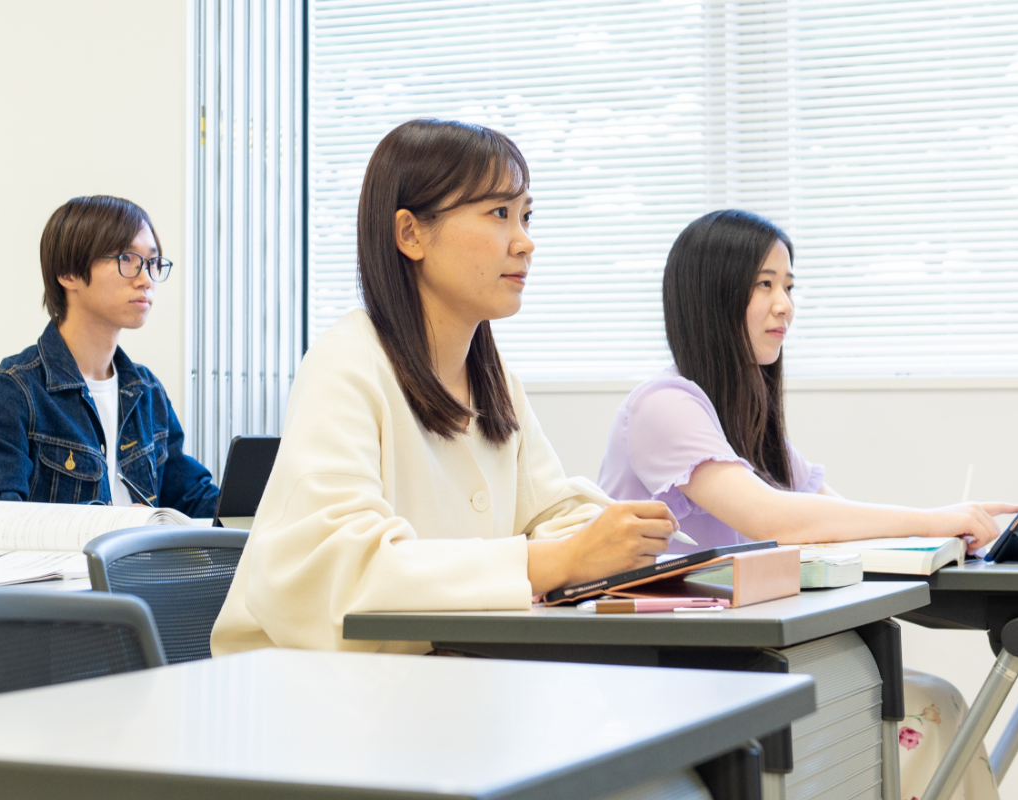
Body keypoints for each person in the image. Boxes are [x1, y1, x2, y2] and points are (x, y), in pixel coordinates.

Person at [212, 119, 679, 655]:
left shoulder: (493, 376)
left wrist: (611, 540)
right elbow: (342, 572)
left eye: (526, 216)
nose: (525, 242)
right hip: (316, 698)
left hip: (440, 680)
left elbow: (552, 512)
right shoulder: (347, 362)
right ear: (411, 234)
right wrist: (562, 560)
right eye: (499, 214)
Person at [598, 208, 1018, 799]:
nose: (785, 305)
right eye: (764, 284)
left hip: (736, 652)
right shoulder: (664, 404)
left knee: (932, 702)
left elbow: (828, 514)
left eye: (789, 286)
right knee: (929, 708)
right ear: (712, 295)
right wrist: (933, 518)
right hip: (661, 667)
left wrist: (947, 533)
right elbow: (772, 516)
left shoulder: (741, 409)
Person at [0, 195, 218, 517]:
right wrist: (112, 524)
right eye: (127, 259)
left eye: (152, 263)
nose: (146, 279)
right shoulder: (10, 393)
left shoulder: (146, 391)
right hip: (59, 570)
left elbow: (189, 497)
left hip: (139, 569)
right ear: (68, 274)